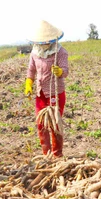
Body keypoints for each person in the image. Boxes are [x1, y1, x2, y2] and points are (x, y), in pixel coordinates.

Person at [24, 20, 69, 157]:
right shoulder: (35, 52)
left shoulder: (60, 52)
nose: (43, 44)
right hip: (40, 94)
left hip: (55, 93)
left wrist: (60, 72)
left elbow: (66, 71)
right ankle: (46, 155)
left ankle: (57, 155)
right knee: (41, 124)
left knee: (55, 125)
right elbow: (31, 71)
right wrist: (28, 85)